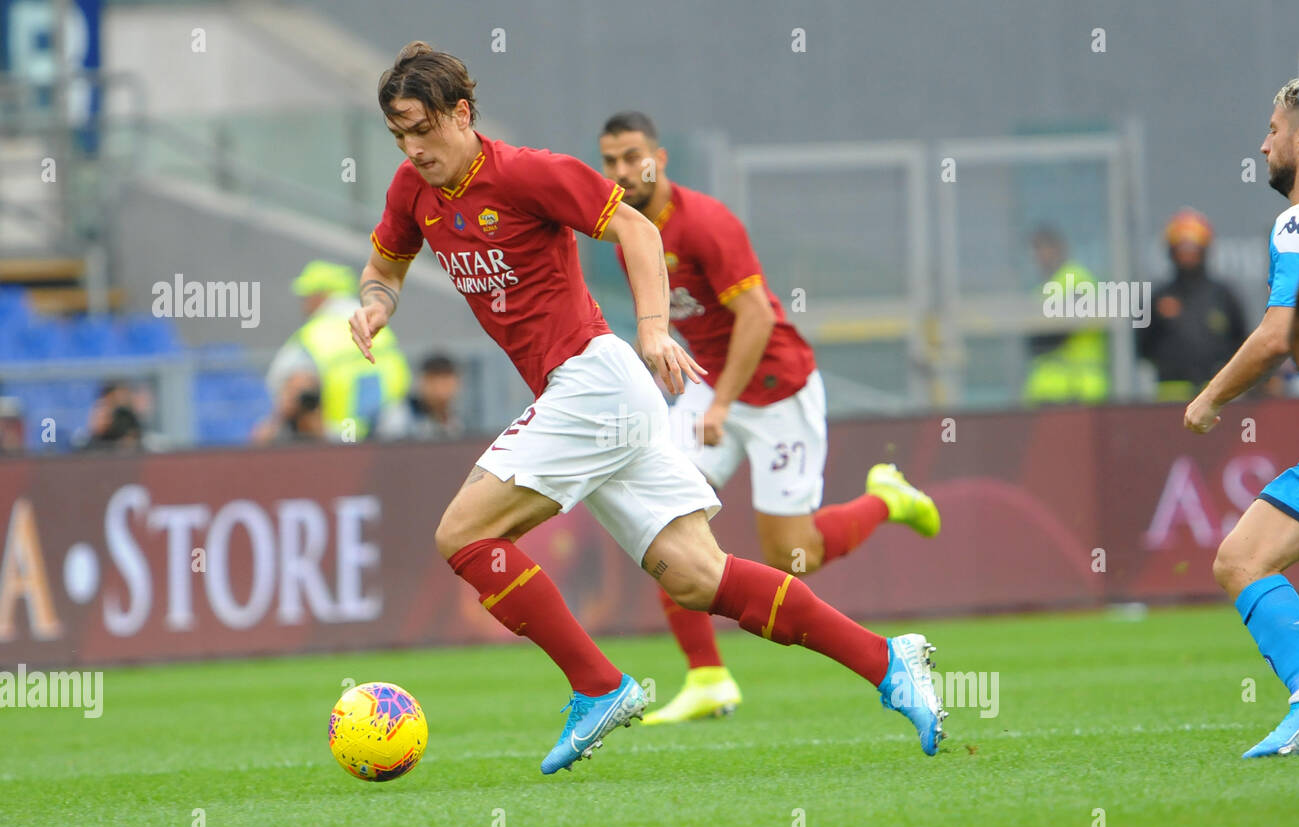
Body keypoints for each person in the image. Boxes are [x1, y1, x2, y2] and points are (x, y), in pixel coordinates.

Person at [349, 43, 947, 774]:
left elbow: (636, 228)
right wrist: (376, 306)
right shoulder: (412, 192)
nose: (411, 150)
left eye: (421, 130)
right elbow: (384, 268)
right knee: (699, 576)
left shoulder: (529, 173)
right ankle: (888, 661)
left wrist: (654, 329)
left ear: (462, 114)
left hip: (594, 383)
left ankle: (598, 684)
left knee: (463, 536)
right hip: (592, 398)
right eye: (398, 136)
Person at [597, 111, 941, 723]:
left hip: (778, 390)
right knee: (662, 515)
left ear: (660, 157)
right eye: (610, 161)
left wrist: (723, 401)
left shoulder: (706, 222)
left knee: (791, 557)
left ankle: (886, 498)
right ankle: (707, 677)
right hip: (710, 386)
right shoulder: (631, 233)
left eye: (632, 157)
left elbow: (755, 316)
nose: (622, 171)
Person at [1185, 77, 1299, 758]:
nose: (1263, 143)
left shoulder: (1296, 222)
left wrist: (1210, 399)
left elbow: (1274, 337)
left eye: (1275, 129)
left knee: (1242, 559)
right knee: (1243, 557)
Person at [266, 260, 411, 440]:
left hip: (337, 437)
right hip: (387, 432)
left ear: (320, 295)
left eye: (306, 296)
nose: (304, 304)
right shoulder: (380, 328)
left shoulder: (314, 335)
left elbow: (292, 387)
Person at [1140, 208, 1248, 402]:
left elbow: (1242, 343)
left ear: (1204, 250)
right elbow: (1141, 346)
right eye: (1182, 249)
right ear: (1171, 251)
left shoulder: (1223, 296)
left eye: (1193, 248)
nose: (1187, 255)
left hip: (1216, 398)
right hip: (1169, 401)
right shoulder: (1158, 297)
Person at [1023, 226, 1109, 404]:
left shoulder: (1077, 279)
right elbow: (1032, 342)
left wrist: (1043, 332)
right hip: (1048, 391)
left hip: (1080, 389)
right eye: (1036, 249)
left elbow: (1058, 332)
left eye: (1044, 248)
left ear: (1059, 249)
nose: (1039, 255)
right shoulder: (1042, 288)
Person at [373, 352, 465, 440]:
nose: (440, 391)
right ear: (422, 382)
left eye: (446, 384)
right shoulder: (399, 415)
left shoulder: (456, 422)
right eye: (434, 382)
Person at [251, 369, 327, 445]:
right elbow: (258, 445)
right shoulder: (275, 423)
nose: (300, 398)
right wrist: (281, 414)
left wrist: (310, 416)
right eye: (295, 390)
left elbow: (327, 444)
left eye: (305, 392)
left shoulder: (316, 419)